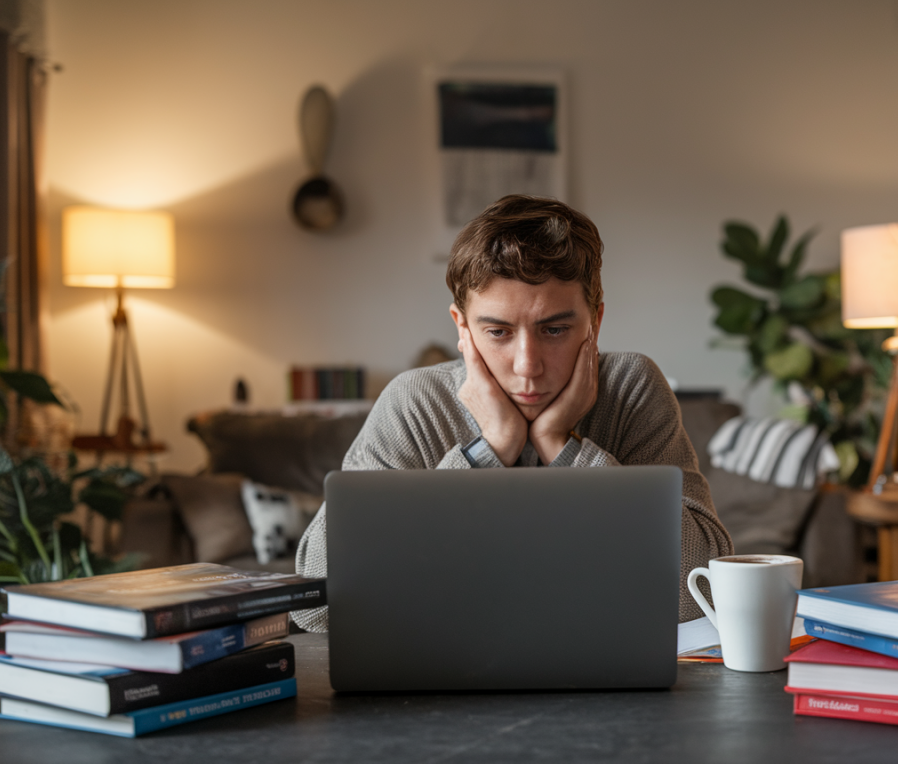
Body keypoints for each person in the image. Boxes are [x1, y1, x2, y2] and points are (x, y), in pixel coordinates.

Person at [293, 195, 733, 630]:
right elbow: (316, 605)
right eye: (498, 332)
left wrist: (564, 447)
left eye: (555, 329)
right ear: (461, 328)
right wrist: (489, 449)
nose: (528, 365)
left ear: (595, 323)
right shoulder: (413, 402)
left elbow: (708, 591)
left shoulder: (631, 388)